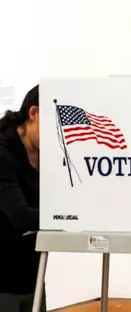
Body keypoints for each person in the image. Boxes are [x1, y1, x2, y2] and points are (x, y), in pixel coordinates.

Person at [0, 85, 44, 312]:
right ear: (34, 114)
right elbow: (20, 215)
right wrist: (70, 215)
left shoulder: (49, 153)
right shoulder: (3, 149)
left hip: (33, 275)